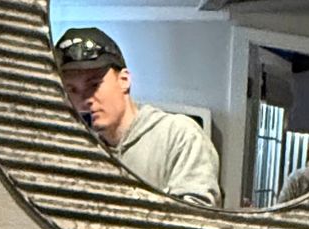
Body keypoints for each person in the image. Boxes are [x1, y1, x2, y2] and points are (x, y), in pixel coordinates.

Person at [54, 27, 221, 205]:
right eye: (72, 90)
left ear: (124, 80)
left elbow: (197, 218)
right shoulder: (80, 149)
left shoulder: (180, 136)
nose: (84, 99)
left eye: (94, 84)